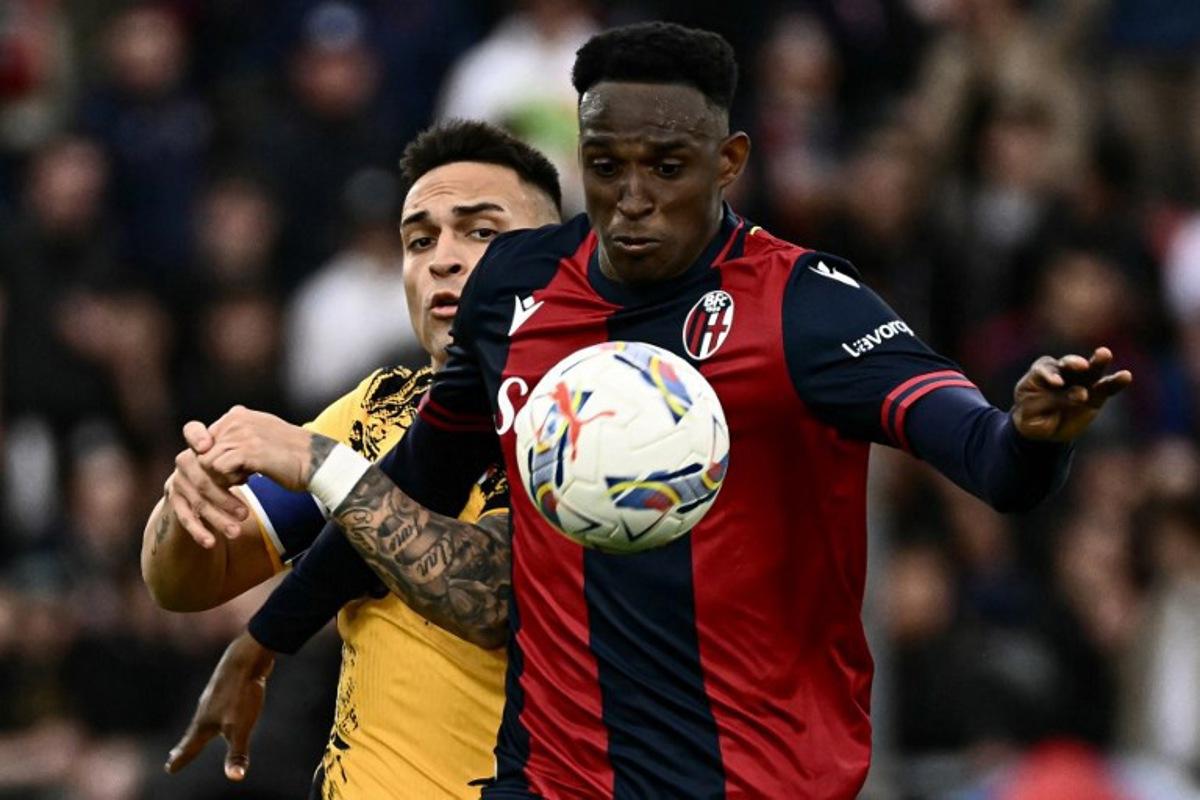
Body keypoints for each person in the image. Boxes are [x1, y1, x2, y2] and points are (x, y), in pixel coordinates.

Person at [189, 23, 1132, 798]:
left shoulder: (804, 306)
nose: (632, 200)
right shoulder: (517, 290)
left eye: (667, 167)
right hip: (551, 779)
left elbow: (987, 459)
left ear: (728, 162)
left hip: (755, 779)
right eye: (606, 166)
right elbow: (410, 488)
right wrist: (264, 639)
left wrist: (1033, 437)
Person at [140, 119, 563, 798]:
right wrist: (186, 498)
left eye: (481, 232)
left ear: (559, 260)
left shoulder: (595, 410)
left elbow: (491, 598)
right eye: (419, 240)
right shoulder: (378, 408)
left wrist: (320, 463)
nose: (442, 259)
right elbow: (185, 583)